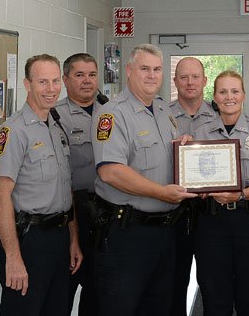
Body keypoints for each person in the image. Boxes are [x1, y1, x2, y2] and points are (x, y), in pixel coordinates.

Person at [92, 44, 196, 315]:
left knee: (159, 307)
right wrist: (162, 193)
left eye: (157, 69)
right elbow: (111, 171)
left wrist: (182, 147)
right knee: (121, 307)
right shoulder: (112, 113)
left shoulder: (163, 110)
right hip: (128, 234)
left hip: (164, 233)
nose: (152, 75)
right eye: (145, 69)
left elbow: (161, 157)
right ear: (129, 71)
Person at [0, 54, 82, 316]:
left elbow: (66, 190)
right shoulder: (13, 132)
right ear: (27, 84)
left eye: (55, 81)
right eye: (43, 82)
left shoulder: (55, 126)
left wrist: (73, 239)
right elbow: (0, 198)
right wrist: (13, 257)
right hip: (29, 241)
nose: (51, 89)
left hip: (59, 238)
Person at [192, 71, 249, 315]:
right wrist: (199, 189)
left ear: (244, 95)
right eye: (223, 92)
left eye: (235, 91)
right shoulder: (201, 132)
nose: (229, 97)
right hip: (212, 223)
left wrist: (241, 194)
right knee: (214, 298)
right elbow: (193, 176)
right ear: (214, 96)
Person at [56, 53, 108, 316]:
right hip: (73, 213)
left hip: (106, 212)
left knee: (99, 290)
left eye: (92, 75)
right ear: (66, 80)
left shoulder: (110, 112)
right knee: (65, 287)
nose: (87, 81)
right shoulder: (55, 117)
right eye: (79, 75)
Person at [169, 56, 217, 316]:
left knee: (212, 282)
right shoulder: (162, 116)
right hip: (173, 211)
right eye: (184, 77)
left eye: (195, 77)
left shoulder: (220, 115)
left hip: (210, 210)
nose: (190, 82)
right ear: (175, 81)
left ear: (204, 81)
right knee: (174, 282)